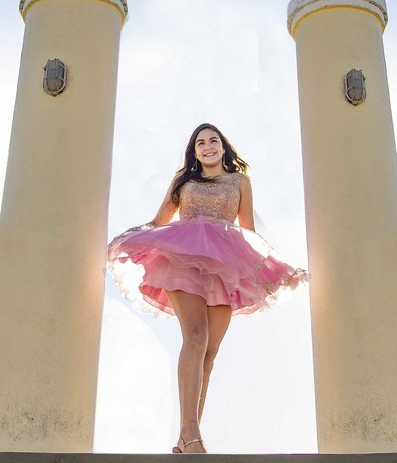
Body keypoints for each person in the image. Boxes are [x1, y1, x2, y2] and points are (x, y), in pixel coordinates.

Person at [106, 123, 308, 454]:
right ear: (194, 152)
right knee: (195, 338)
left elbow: (249, 230)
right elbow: (160, 221)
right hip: (183, 258)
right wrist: (132, 237)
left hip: (226, 265)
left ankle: (186, 439)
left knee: (210, 354)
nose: (207, 146)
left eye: (213, 140)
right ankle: (190, 433)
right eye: (200, 143)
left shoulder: (240, 182)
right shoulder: (182, 180)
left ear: (224, 147)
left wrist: (274, 267)